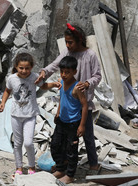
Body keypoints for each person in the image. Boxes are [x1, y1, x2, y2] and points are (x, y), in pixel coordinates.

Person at [35, 23, 101, 171]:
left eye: (70, 42)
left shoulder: (90, 55)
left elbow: (97, 76)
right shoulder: (67, 53)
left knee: (88, 135)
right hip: (68, 105)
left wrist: (87, 83)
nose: (68, 45)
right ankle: (64, 163)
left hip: (83, 103)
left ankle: (93, 164)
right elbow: (54, 65)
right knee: (65, 137)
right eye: (66, 42)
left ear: (79, 40)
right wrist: (44, 73)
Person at [0, 52, 61, 178]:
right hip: (16, 115)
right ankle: (19, 167)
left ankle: (32, 166)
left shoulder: (34, 77)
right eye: (21, 68)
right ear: (16, 66)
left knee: (28, 143)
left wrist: (53, 84)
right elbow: (7, 90)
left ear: (31, 67)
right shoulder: (12, 79)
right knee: (17, 143)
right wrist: (3, 103)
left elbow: (43, 86)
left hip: (30, 114)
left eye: (27, 68)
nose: (24, 71)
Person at [51, 56, 88, 184]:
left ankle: (70, 175)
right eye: (62, 71)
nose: (64, 74)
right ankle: (61, 168)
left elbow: (84, 105)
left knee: (72, 150)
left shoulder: (77, 87)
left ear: (74, 72)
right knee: (55, 145)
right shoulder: (61, 82)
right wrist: (58, 112)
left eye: (67, 72)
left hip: (73, 123)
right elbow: (62, 98)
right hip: (62, 121)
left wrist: (82, 125)